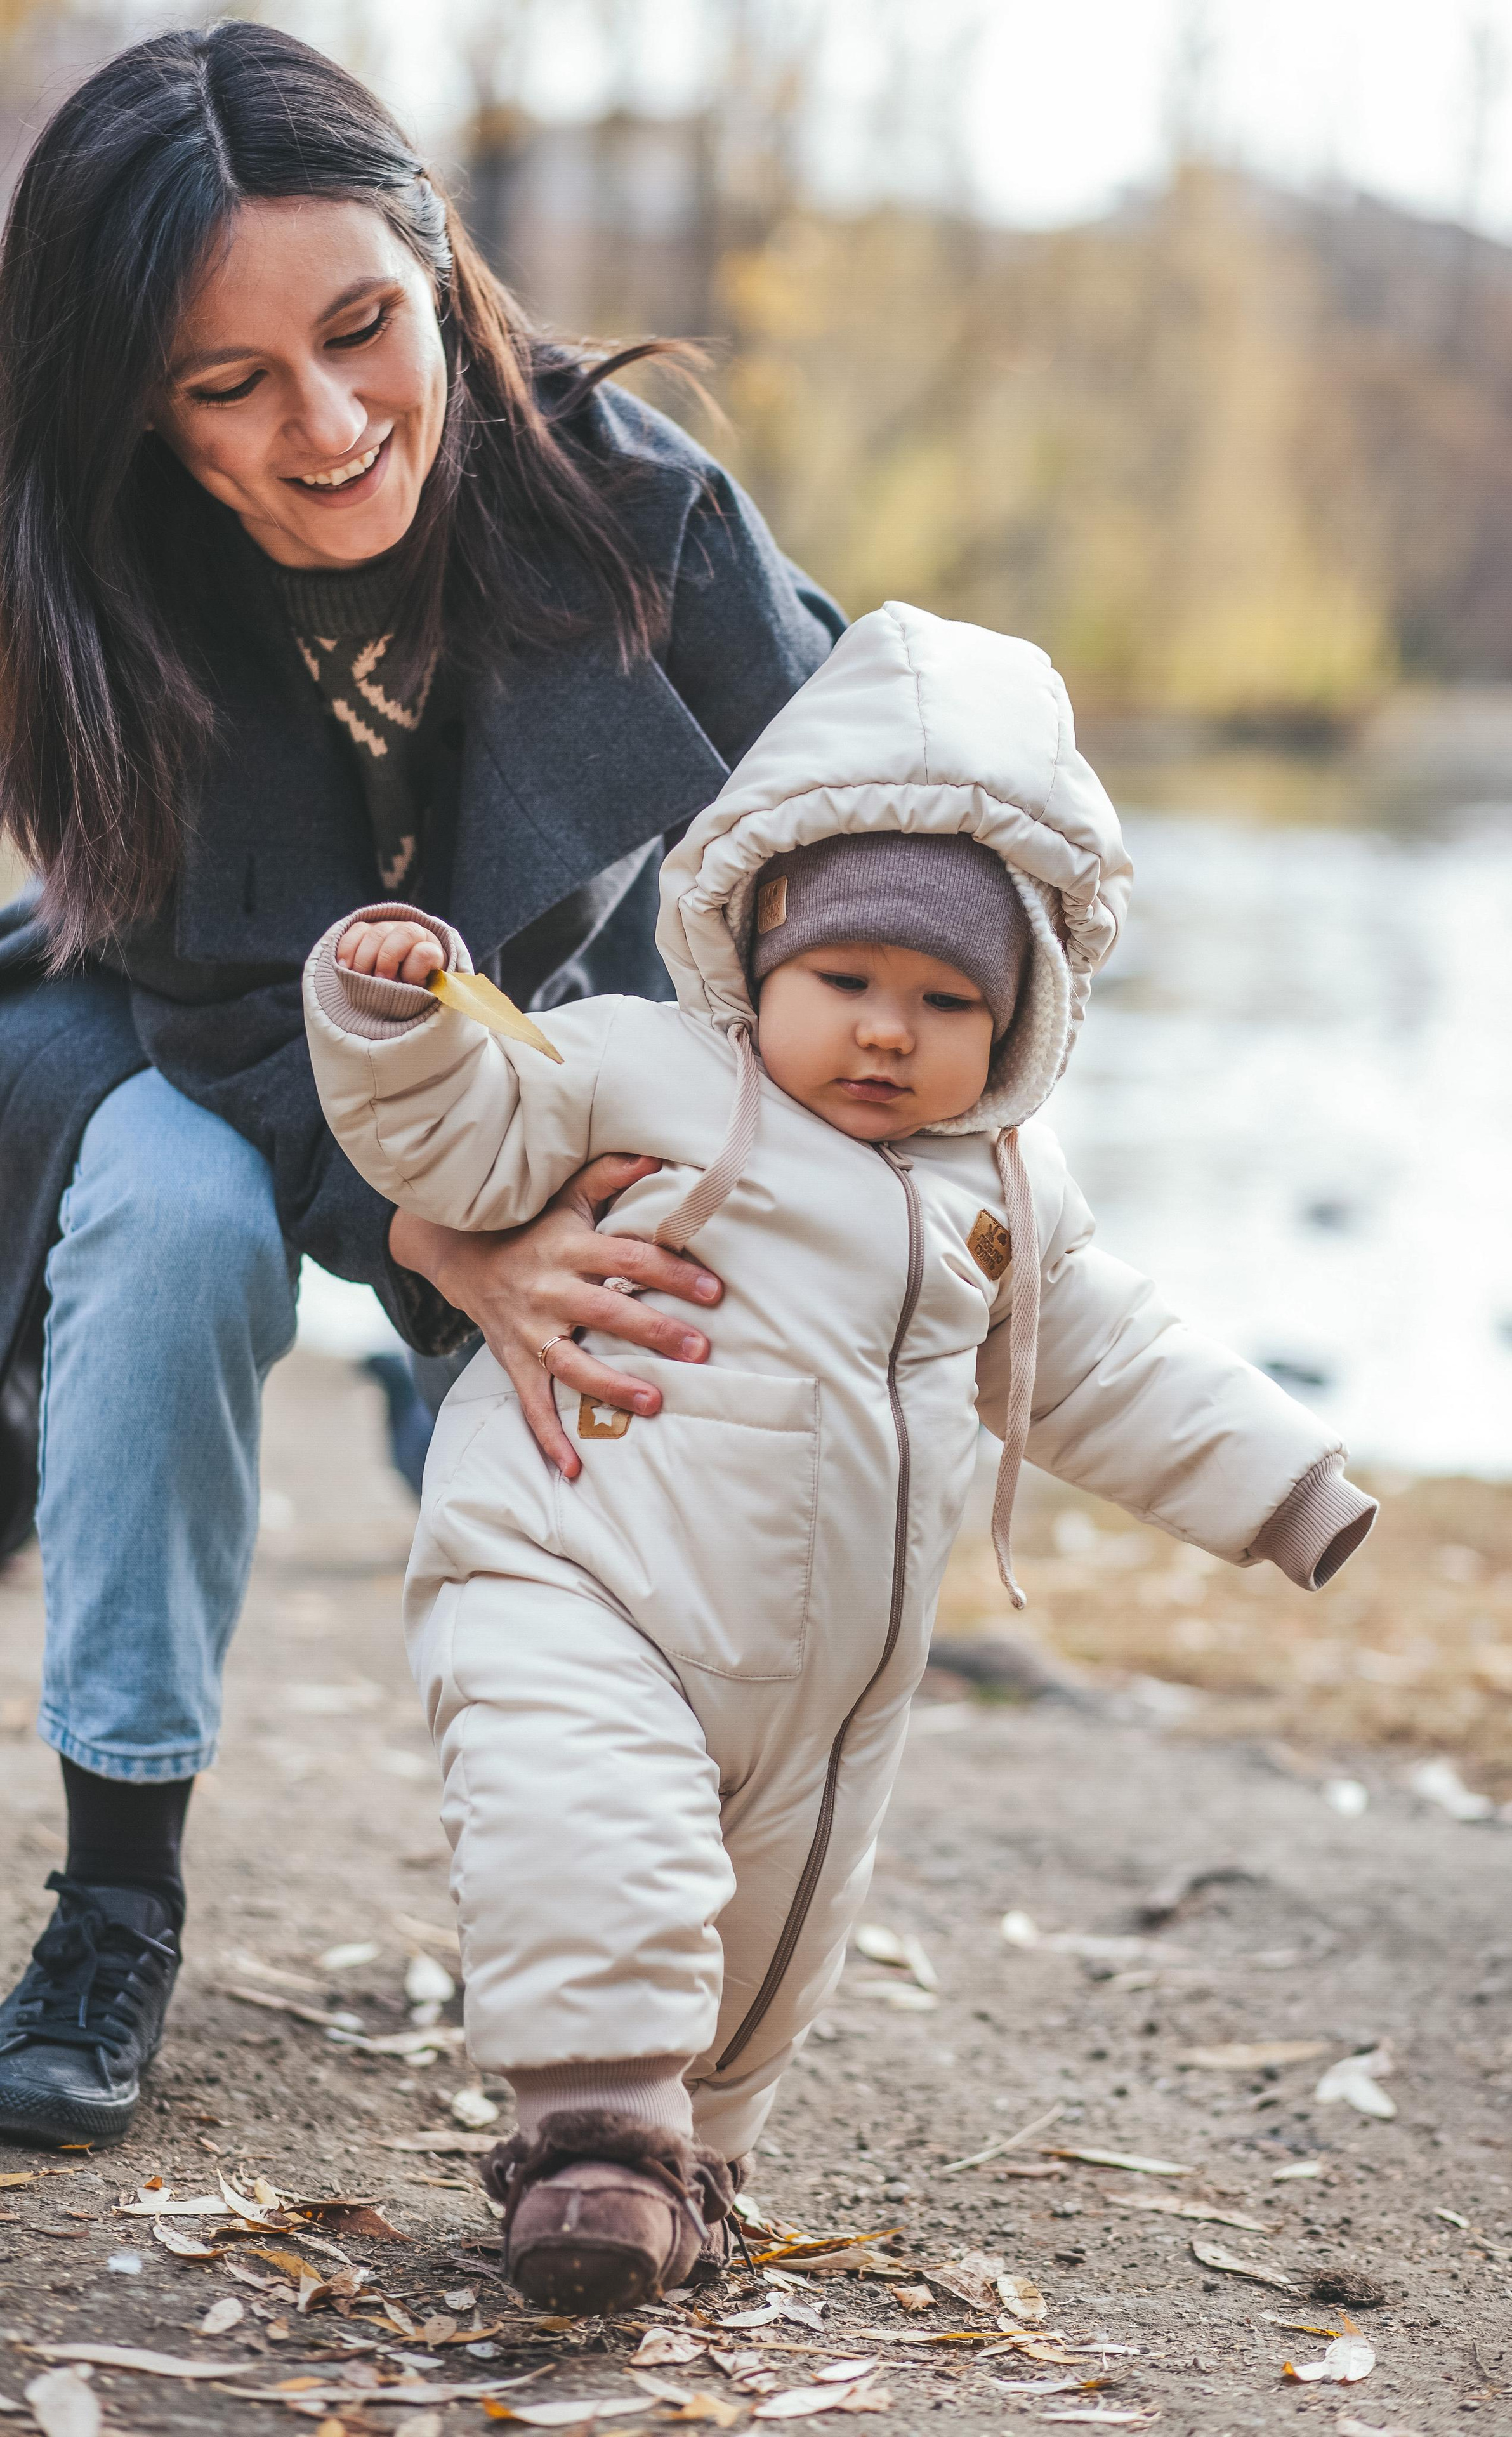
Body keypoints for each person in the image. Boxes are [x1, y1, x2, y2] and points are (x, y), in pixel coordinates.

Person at [303, 601, 1378, 2315]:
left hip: (825, 1681)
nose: (888, 1031)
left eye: (948, 1000)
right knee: (592, 1835)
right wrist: (395, 1023)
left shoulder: (1008, 1198)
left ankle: (686, 2163)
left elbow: (1108, 1363)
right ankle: (590, 2140)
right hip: (586, 1573)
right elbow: (455, 1137)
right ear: (758, 957)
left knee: (769, 1940)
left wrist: (1286, 1487)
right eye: (849, 982)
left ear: (1019, 1022)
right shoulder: (631, 1068)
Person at [0, 22, 841, 2150]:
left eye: (365, 329)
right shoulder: (82, 589)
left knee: (651, 1323)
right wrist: (437, 1239)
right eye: (230, 385)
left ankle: (633, 1962)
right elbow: (214, 995)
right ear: (138, 414)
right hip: (191, 1032)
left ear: (434, 262)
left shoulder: (630, 497)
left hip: (562, 1042)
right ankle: (114, 1902)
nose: (331, 422)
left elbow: (857, 814)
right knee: (177, 1220)